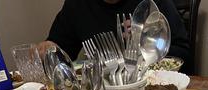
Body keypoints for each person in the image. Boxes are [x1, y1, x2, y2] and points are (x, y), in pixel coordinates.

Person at [39, 0, 192, 72]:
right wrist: (49, 51)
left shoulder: (152, 3)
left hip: (155, 87)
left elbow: (183, 53)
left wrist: (148, 43)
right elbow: (60, 52)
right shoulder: (76, 5)